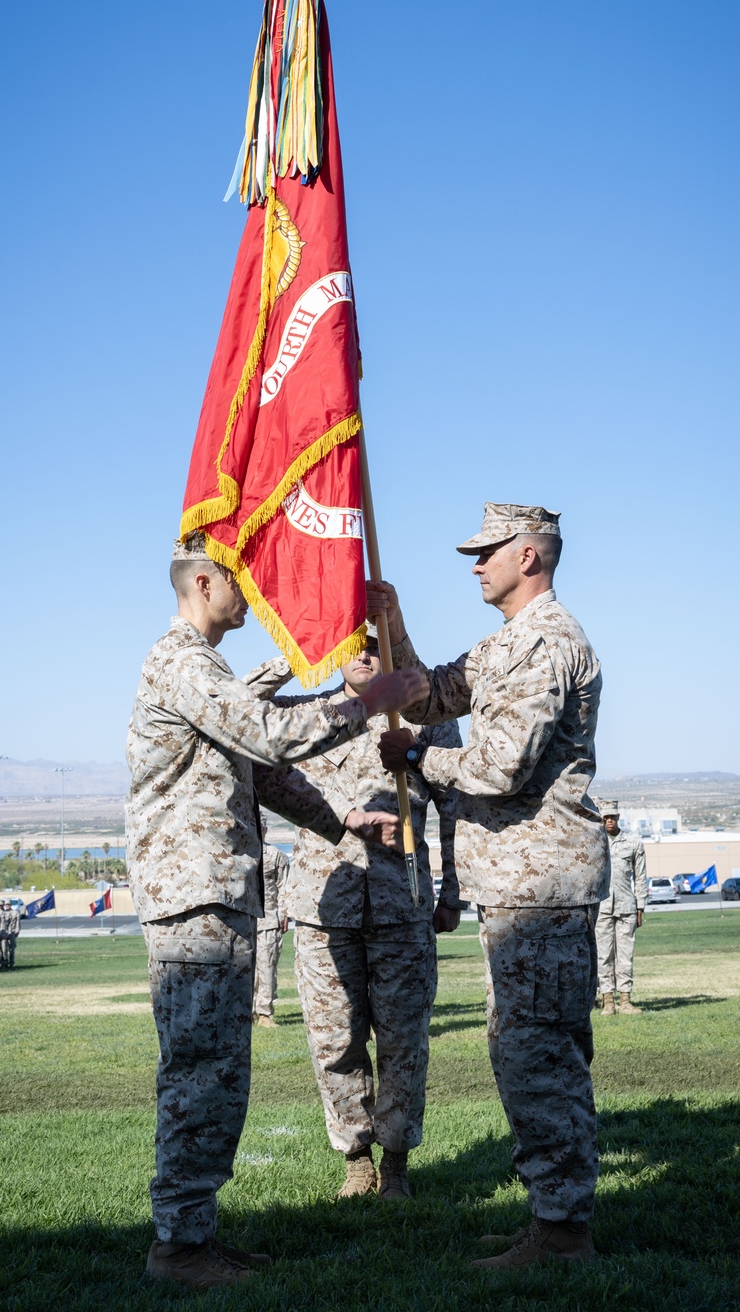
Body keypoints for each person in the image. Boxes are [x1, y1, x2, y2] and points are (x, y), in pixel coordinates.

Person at [125, 535, 426, 1292]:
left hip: (216, 895)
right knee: (199, 1073)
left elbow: (259, 771)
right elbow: (267, 734)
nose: (253, 598)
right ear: (202, 581)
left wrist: (340, 823)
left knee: (219, 1073)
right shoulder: (182, 662)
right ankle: (178, 1246)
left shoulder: (208, 668)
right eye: (239, 582)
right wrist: (364, 705)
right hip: (193, 899)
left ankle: (196, 1234)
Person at [374, 502, 610, 1268]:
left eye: (488, 552)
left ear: (530, 557)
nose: (476, 564)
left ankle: (561, 1234)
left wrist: (415, 760)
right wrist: (394, 624)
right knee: (529, 1051)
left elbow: (498, 768)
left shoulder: (547, 643)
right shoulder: (511, 641)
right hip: (520, 888)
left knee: (537, 1058)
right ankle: (551, 1218)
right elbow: (434, 692)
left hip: (540, 889)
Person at [254, 627, 465, 1200]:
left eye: (373, 645)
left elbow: (457, 810)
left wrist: (453, 893)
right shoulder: (309, 715)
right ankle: (355, 1158)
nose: (364, 654)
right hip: (325, 906)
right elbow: (247, 716)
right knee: (333, 1041)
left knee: (403, 1040)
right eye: (349, 644)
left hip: (404, 905)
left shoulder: (425, 722)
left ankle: (395, 1161)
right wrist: (298, 653)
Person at [594, 802, 646, 1014]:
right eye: (606, 816)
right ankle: (608, 1000)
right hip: (602, 907)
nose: (609, 820)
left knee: (625, 955)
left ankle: (625, 999)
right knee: (603, 955)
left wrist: (640, 906)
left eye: (613, 816)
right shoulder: (594, 842)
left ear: (618, 817)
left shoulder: (633, 842)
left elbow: (641, 877)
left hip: (626, 907)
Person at [252, 833, 289, 1027]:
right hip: (245, 922)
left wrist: (284, 913)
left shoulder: (276, 855)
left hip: (268, 920)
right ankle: (248, 1012)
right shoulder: (240, 853)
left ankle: (265, 1013)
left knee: (267, 969)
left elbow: (284, 886)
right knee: (245, 969)